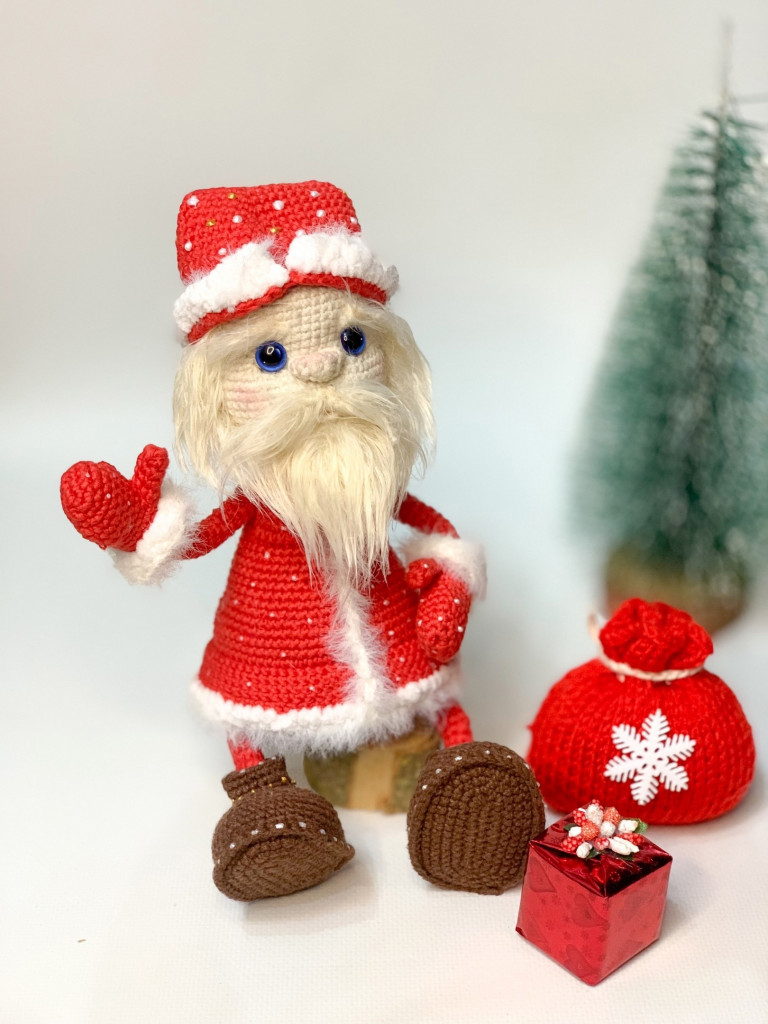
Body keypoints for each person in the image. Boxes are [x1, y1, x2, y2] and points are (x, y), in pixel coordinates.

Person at [61, 181, 542, 901]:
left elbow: (435, 531)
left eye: (351, 341)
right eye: (271, 355)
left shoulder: (373, 492)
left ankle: (466, 789)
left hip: (386, 620)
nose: (320, 369)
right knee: (252, 714)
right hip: (270, 638)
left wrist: (449, 576)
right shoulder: (256, 502)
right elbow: (197, 537)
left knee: (431, 692)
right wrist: (143, 529)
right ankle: (270, 810)